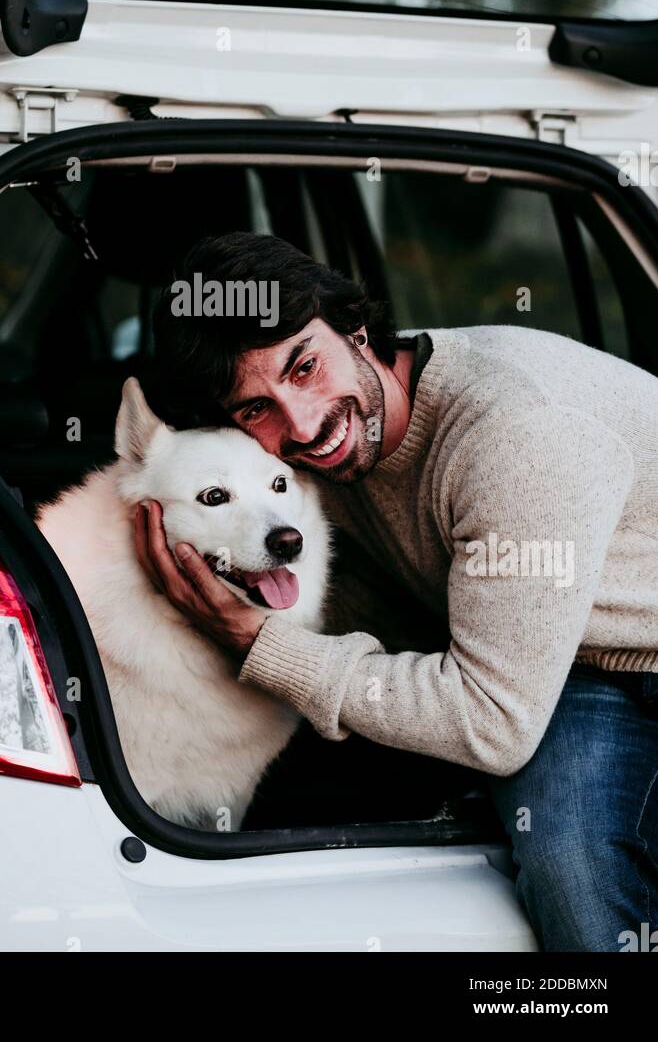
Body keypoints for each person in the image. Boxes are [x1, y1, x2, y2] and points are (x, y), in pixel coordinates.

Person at [135, 231, 658, 953]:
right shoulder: (307, 463)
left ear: (355, 328)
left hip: (634, 661)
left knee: (574, 860)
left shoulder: (517, 434)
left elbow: (492, 722)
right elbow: (366, 601)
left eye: (305, 365)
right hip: (558, 661)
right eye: (255, 408)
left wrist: (260, 644)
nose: (305, 424)